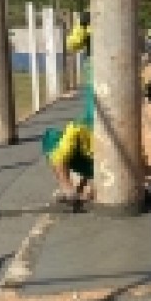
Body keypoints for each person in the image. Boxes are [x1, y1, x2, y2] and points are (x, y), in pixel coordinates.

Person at [42, 13, 95, 203]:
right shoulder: (91, 22)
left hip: (112, 82)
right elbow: (73, 44)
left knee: (65, 137)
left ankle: (77, 184)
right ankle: (72, 186)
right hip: (95, 78)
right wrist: (83, 26)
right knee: (88, 121)